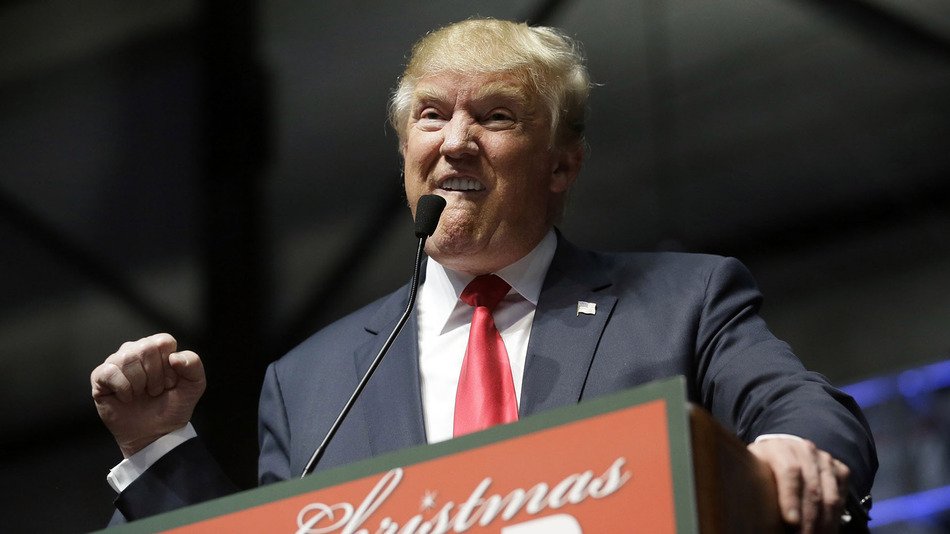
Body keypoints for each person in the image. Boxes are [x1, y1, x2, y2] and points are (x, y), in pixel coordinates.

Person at [91, 18, 876, 532]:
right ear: (407, 150)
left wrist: (789, 448)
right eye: (431, 115)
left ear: (561, 164)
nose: (455, 141)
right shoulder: (313, 383)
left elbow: (806, 410)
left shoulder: (682, 302)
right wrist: (158, 447)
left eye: (496, 116)